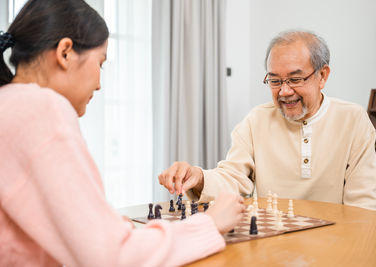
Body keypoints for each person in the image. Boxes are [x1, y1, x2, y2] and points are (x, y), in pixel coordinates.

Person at [0, 0, 245, 266]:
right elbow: (112, 258)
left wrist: (104, 228)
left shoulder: (11, 105)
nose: (99, 83)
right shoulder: (41, 109)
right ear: (65, 52)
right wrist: (209, 223)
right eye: (100, 63)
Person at [158, 30, 376, 211]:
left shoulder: (353, 120)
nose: (284, 91)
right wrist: (198, 177)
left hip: (335, 245)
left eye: (295, 79)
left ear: (322, 76)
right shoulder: (256, 120)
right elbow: (233, 179)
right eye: (274, 81)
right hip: (272, 241)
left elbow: (362, 206)